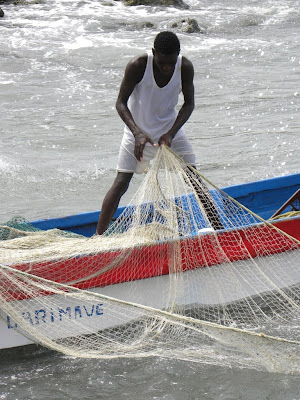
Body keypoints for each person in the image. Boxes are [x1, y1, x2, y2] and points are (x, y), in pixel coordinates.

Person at [96, 31, 223, 235]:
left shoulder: (185, 67)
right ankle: (98, 237)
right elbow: (120, 103)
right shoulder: (138, 65)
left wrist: (171, 133)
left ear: (178, 55)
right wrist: (137, 132)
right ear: (154, 53)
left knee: (195, 179)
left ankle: (221, 231)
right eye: (162, 62)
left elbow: (189, 104)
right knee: (121, 182)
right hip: (136, 133)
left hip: (171, 132)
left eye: (171, 63)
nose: (166, 67)